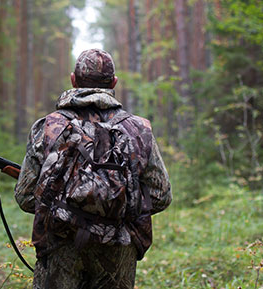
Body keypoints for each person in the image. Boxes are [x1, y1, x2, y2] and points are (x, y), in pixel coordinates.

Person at [14, 48, 172, 289]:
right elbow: (161, 196)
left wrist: (67, 208)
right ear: (114, 82)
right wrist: (115, 208)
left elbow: (25, 197)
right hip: (119, 247)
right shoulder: (139, 129)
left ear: (73, 80)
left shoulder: (48, 127)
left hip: (60, 246)